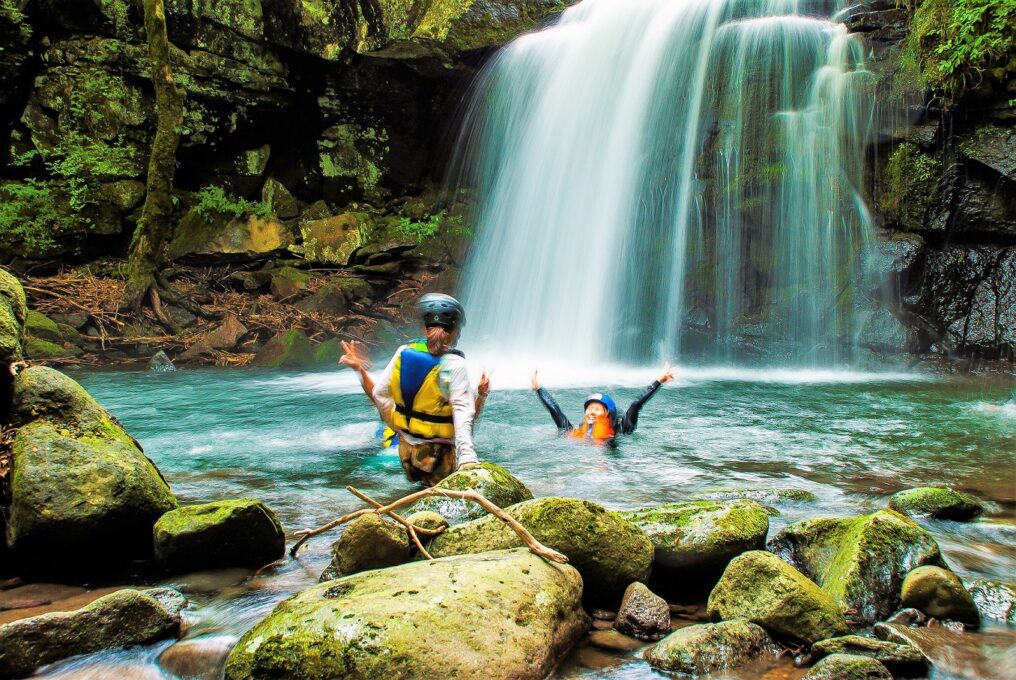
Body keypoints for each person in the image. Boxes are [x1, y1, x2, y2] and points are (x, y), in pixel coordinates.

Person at [345, 293, 481, 486]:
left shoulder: (404, 352)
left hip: (406, 453)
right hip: (437, 457)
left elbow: (379, 394)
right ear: (454, 330)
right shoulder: (454, 364)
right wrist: (467, 457)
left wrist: (397, 427)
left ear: (426, 328)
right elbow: (463, 413)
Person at [339, 339, 490, 449]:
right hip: (397, 448)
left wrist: (481, 396)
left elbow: (466, 419)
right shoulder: (410, 392)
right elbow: (377, 396)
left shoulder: (446, 395)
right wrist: (358, 369)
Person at [531, 363, 674, 445]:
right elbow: (555, 410)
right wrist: (539, 389)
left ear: (608, 414)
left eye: (597, 409)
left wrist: (658, 381)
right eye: (589, 408)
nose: (591, 412)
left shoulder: (619, 431)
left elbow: (635, 405)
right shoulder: (574, 432)